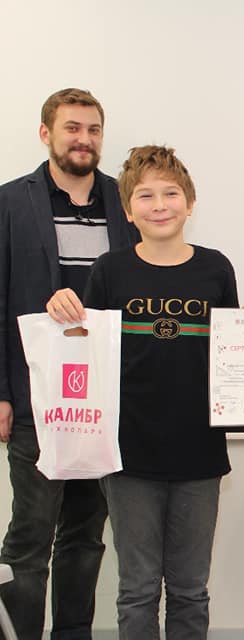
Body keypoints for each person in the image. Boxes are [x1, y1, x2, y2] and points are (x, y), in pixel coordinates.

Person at [46, 145, 244, 639]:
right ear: (128, 211)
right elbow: (84, 353)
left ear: (190, 203)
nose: (159, 205)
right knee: (137, 590)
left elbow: (232, 353)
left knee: (191, 589)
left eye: (170, 194)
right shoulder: (109, 271)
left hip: (199, 454)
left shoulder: (216, 269)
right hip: (127, 456)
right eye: (145, 196)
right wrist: (61, 310)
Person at [0, 87, 139, 640]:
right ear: (46, 134)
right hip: (35, 399)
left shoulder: (125, 202)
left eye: (93, 129)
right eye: (72, 128)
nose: (84, 139)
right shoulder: (10, 203)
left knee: (85, 534)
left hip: (102, 400)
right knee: (30, 537)